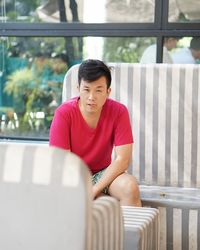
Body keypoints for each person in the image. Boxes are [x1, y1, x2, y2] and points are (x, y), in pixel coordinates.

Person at [49, 59, 141, 207]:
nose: (92, 97)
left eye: (98, 90)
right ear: (78, 88)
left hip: (102, 174)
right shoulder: (63, 114)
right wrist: (88, 189)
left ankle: (125, 231)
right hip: (72, 176)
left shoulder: (119, 111)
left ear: (108, 92)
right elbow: (62, 162)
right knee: (98, 201)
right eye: (86, 89)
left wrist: (95, 189)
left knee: (129, 187)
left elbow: (123, 159)